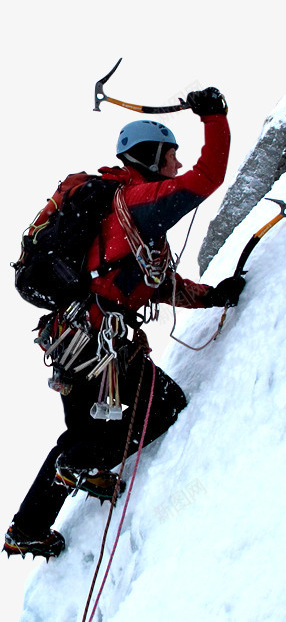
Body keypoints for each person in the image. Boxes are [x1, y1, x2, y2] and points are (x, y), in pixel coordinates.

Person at [4, 87, 245, 559]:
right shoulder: (132, 205)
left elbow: (152, 284)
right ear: (151, 157)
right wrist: (214, 117)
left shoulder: (120, 224)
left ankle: (32, 524)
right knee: (164, 405)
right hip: (99, 349)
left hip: (77, 345)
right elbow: (206, 178)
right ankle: (79, 467)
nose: (175, 166)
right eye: (170, 157)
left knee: (82, 437)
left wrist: (212, 295)